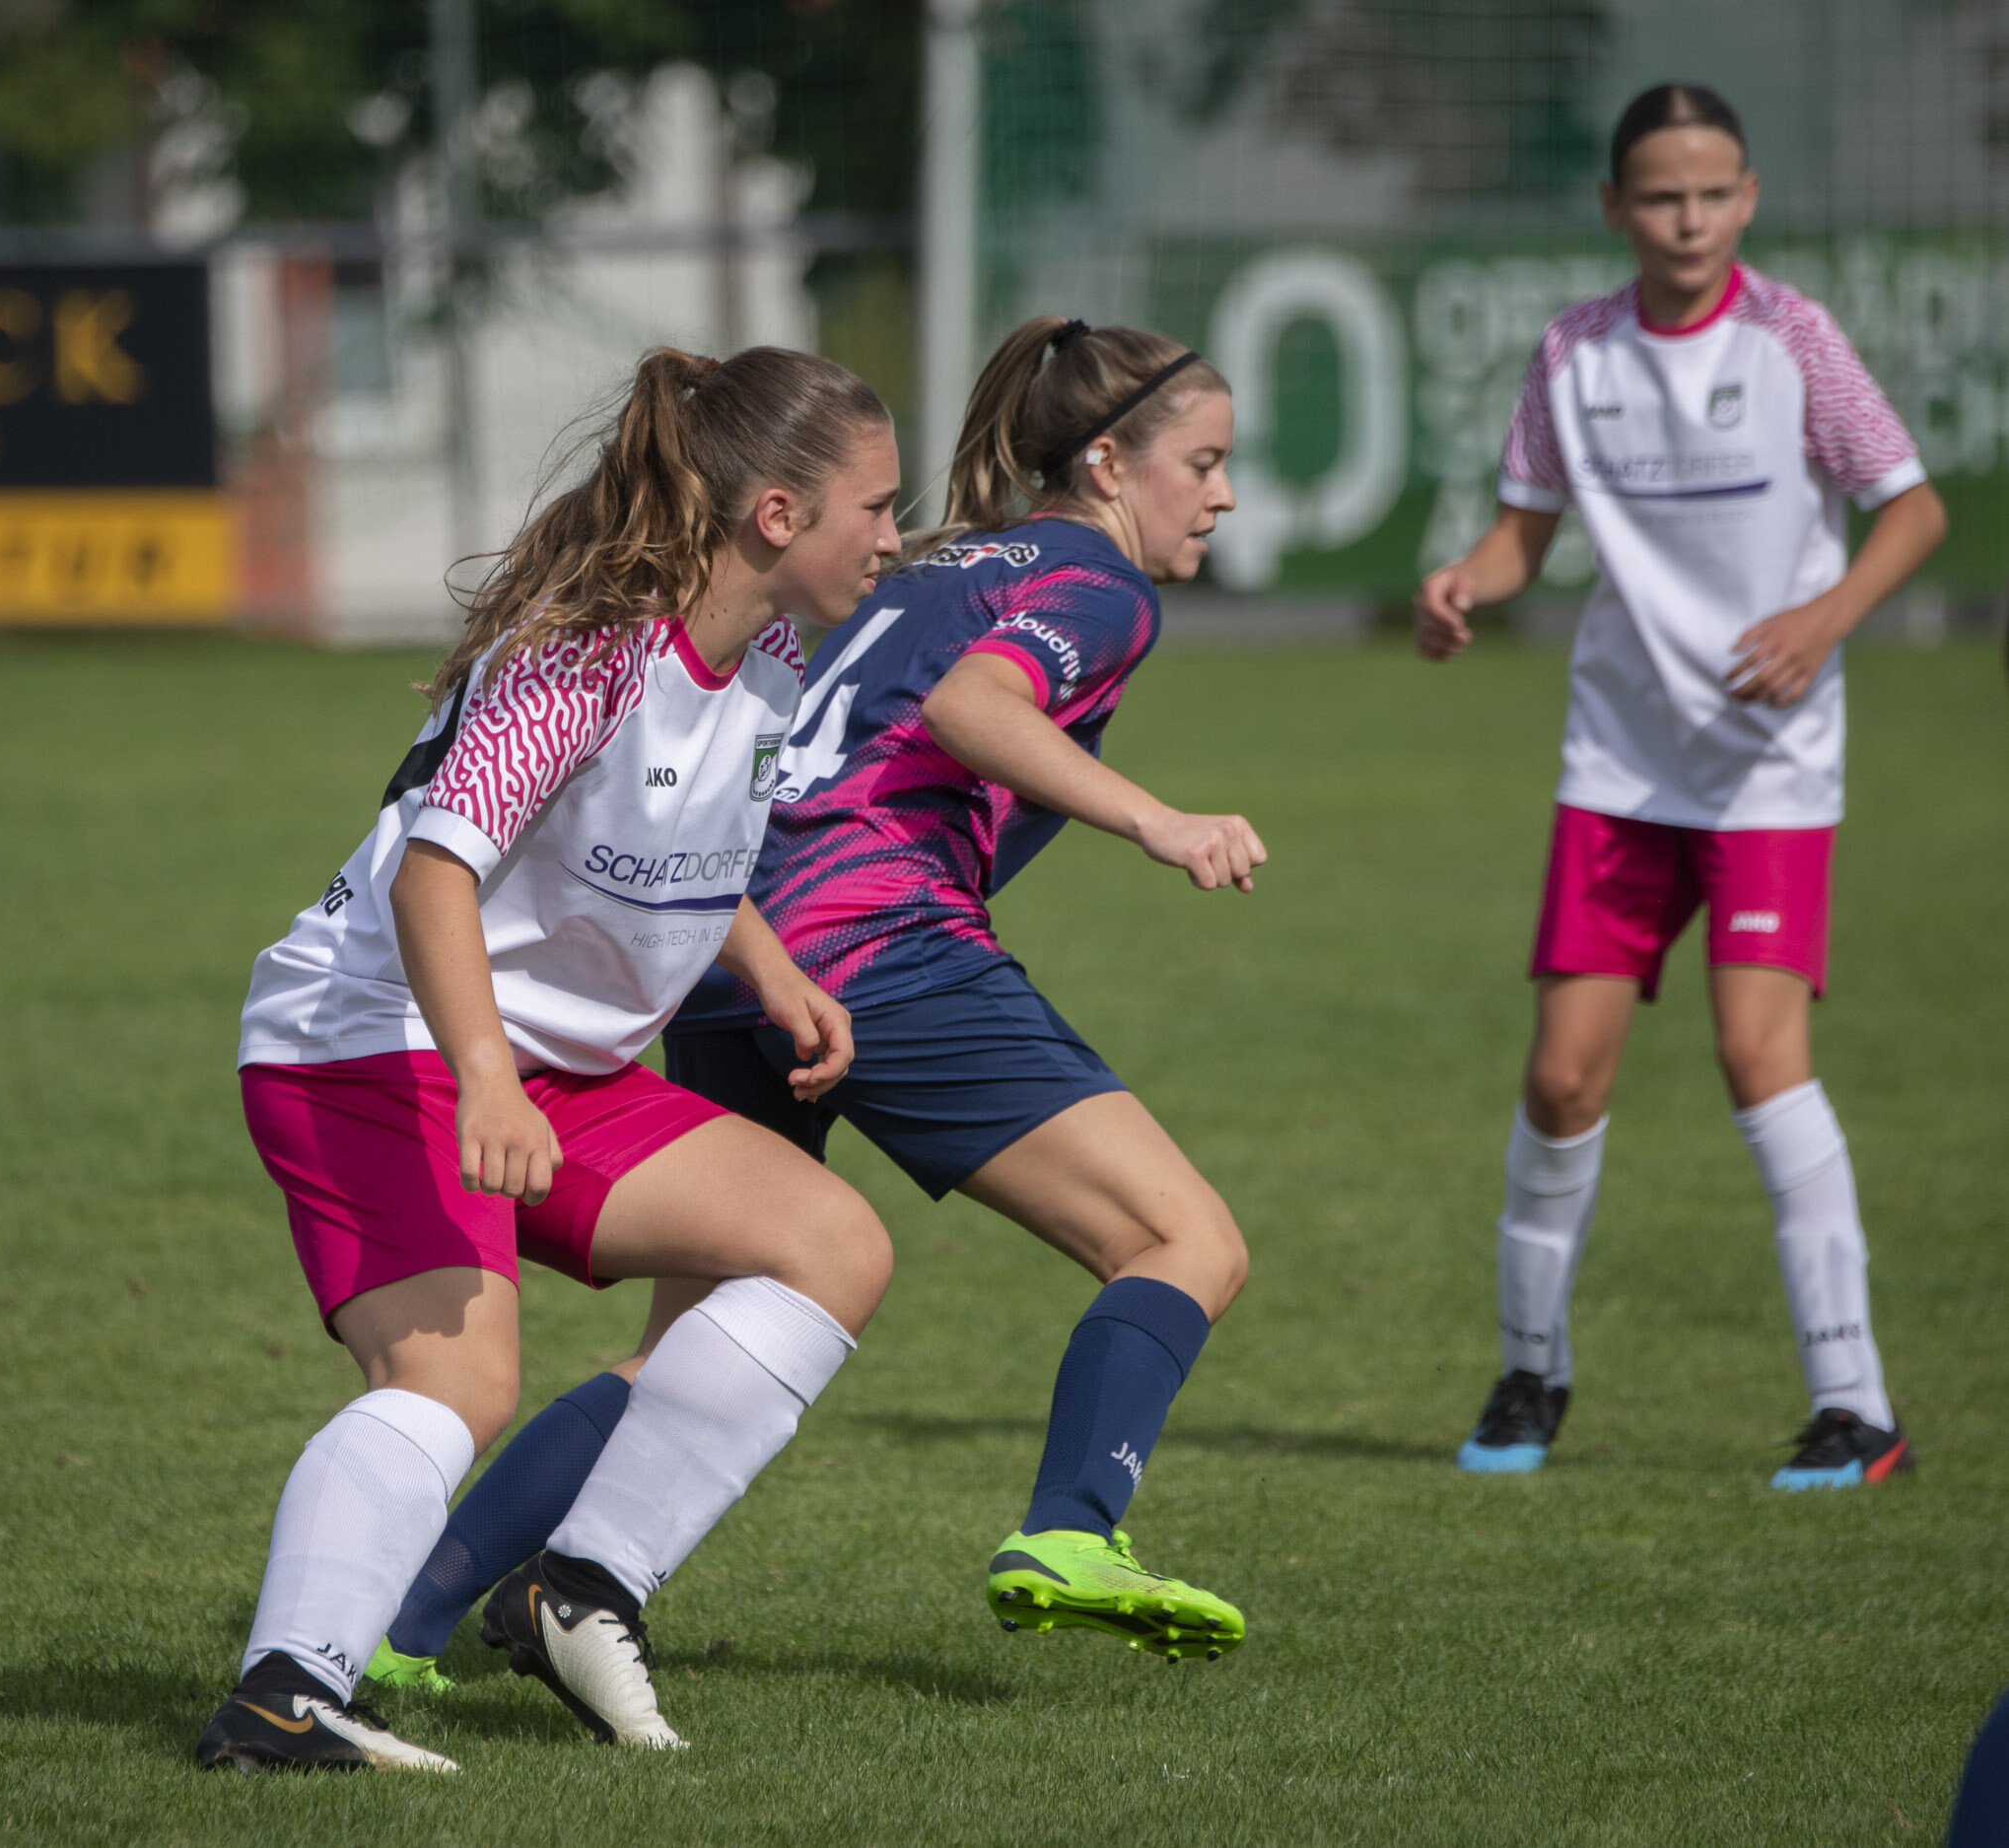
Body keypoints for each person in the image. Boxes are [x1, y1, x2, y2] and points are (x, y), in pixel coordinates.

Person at [364, 313, 1259, 1691]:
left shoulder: (940, 557)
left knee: (690, 1346)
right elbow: (972, 707)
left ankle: (405, 1627)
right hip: (879, 939)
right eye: (1201, 463)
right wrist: (1160, 820)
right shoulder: (1095, 580)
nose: (1222, 494)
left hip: (736, 950)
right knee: (1183, 1238)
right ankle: (1075, 1530)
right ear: (1104, 464)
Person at [195, 344, 904, 1770]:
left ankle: (581, 1589)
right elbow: (435, 873)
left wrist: (769, 967)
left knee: (832, 1245)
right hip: (371, 1032)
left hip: (540, 1062)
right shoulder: (590, 658)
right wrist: (484, 1078)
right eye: (878, 508)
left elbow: (676, 848)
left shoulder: (769, 658)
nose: (896, 538)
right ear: (777, 514)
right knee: (460, 1386)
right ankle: (284, 1696)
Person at [1414, 84, 1948, 1487]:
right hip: (1621, 763)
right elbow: (1524, 536)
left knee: (1760, 1060)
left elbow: (1913, 508)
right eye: (1661, 196)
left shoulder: (1795, 340)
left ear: (1748, 198)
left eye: (1714, 194)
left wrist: (1823, 621)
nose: (1690, 220)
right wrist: (1465, 584)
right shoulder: (1574, 352)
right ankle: (1528, 1378)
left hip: (1770, 772)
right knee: (1562, 1077)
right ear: (1615, 208)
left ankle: (1858, 1409)